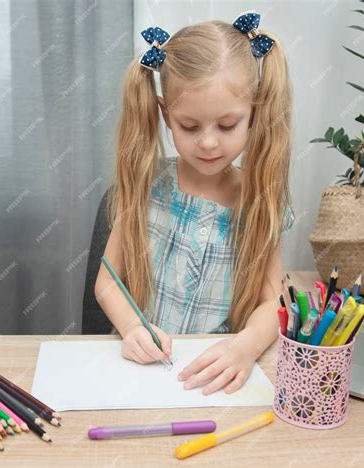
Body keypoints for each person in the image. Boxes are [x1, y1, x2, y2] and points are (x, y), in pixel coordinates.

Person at [95, 12, 295, 395]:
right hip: (138, 374)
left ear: (254, 111)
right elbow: (107, 281)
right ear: (166, 115)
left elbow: (276, 303)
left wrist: (247, 345)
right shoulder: (145, 185)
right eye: (190, 126)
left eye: (226, 125)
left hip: (213, 380)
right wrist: (133, 328)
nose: (207, 143)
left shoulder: (258, 203)